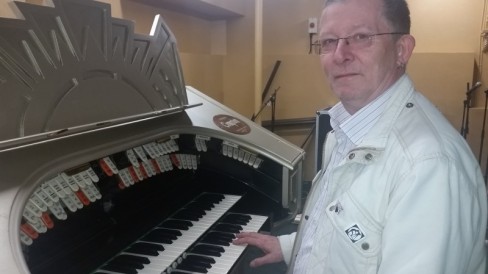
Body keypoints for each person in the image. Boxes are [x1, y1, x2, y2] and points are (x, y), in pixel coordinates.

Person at [233, 0, 488, 273]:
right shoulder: (344, 129)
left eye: (361, 37)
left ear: (401, 50)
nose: (340, 55)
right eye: (329, 41)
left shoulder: (429, 165)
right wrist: (289, 246)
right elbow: (354, 226)